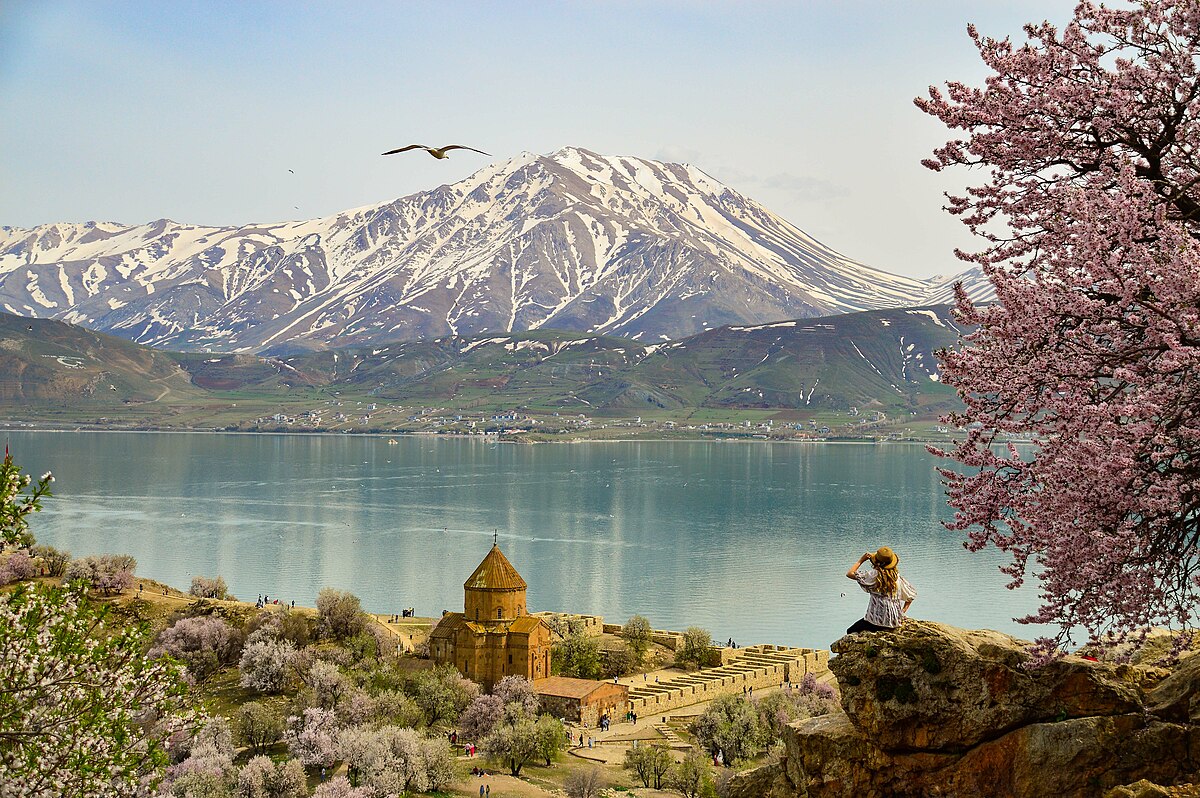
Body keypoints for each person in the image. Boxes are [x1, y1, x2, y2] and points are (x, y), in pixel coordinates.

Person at [845, 546, 917, 634]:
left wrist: (861, 560)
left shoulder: (873, 576)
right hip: (895, 621)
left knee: (850, 631)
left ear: (876, 562)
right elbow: (911, 596)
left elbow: (849, 573)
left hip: (876, 621)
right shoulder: (896, 577)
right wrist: (902, 612)